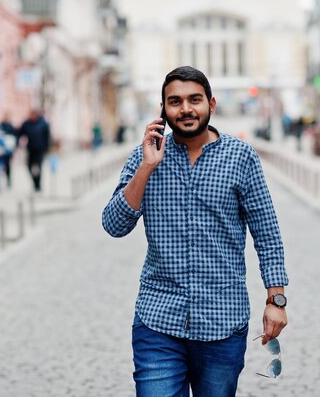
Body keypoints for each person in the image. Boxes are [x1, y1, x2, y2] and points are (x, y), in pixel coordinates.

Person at [102, 66, 288, 397]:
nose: (186, 108)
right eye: (175, 101)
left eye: (194, 99)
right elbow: (114, 225)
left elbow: (267, 233)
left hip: (222, 322)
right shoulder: (146, 158)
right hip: (158, 321)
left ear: (211, 104)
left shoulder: (240, 157)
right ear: (163, 110)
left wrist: (276, 299)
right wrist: (146, 167)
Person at [17, 109, 51, 192]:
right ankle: (34, 182)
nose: (31, 117)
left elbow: (47, 137)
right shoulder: (26, 124)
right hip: (30, 149)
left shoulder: (43, 124)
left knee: (38, 167)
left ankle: (38, 184)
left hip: (40, 149)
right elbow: (20, 134)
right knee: (29, 166)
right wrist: (18, 144)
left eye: (33, 115)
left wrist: (47, 148)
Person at [0, 114, 17, 188]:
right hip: (1, 149)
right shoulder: (0, 126)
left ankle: (8, 180)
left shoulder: (10, 126)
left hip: (8, 150)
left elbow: (14, 137)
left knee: (7, 166)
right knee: (1, 165)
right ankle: (1, 180)